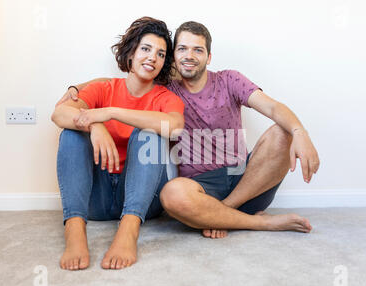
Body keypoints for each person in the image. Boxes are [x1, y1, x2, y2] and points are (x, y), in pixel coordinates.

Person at [58, 21, 320, 241]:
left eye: (198, 49)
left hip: (246, 181)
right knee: (172, 193)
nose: (189, 55)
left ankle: (224, 213)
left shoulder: (229, 79)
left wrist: (300, 131)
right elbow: (114, 83)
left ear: (209, 56)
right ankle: (260, 223)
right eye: (182, 48)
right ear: (174, 57)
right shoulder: (167, 91)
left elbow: (273, 108)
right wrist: (76, 91)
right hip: (201, 189)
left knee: (282, 132)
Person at [51, 17, 184, 271]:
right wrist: (94, 125)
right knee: (71, 133)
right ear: (131, 53)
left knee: (153, 133)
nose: (152, 58)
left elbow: (174, 125)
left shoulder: (165, 97)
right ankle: (75, 229)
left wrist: (110, 113)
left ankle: (128, 230)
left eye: (160, 54)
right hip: (95, 196)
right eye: (145, 49)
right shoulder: (104, 88)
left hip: (143, 198)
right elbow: (59, 114)